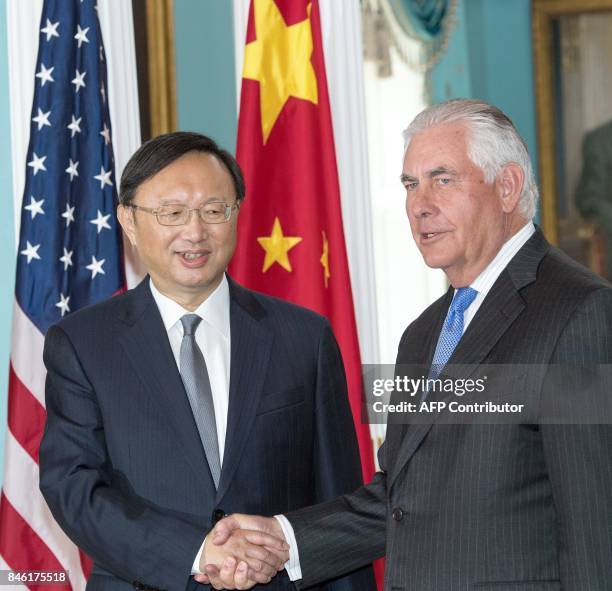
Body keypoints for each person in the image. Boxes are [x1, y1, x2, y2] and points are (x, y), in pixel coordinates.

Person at [200, 99, 612, 591]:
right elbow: (402, 498)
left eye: (443, 179)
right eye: (410, 184)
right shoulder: (424, 331)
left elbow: (596, 530)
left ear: (507, 187)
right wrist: (283, 538)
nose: (420, 205)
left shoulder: (579, 312)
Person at [39, 132, 376, 591]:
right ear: (129, 222)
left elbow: (339, 502)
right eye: (171, 213)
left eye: (214, 210)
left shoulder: (304, 336)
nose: (195, 232)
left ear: (236, 213)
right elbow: (74, 488)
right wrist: (196, 551)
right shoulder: (82, 344)